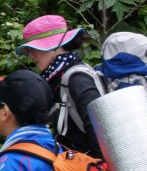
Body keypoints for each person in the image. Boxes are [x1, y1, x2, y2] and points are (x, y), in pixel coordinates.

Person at [15, 14, 104, 157]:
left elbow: (99, 132)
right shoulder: (58, 79)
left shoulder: (76, 79)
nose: (30, 56)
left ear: (53, 45)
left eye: (33, 49)